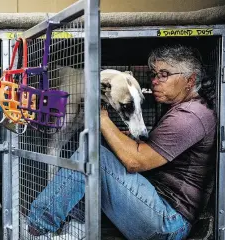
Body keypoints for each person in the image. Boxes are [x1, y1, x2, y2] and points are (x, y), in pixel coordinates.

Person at [27, 44, 216, 240]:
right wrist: (119, 137)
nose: (155, 81)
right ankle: (77, 227)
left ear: (190, 80)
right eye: (155, 74)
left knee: (93, 155)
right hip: (158, 206)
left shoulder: (190, 115)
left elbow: (136, 162)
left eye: (164, 74)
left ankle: (35, 227)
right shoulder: (185, 109)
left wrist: (101, 117)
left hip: (167, 221)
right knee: (105, 145)